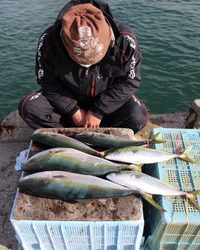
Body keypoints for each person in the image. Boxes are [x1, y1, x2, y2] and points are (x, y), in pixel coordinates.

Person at [18, 0, 149, 132]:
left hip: (107, 103)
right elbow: (47, 81)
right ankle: (71, 136)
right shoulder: (48, 41)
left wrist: (98, 111)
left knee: (138, 116)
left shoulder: (126, 41)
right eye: (81, 62)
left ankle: (95, 130)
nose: (87, 66)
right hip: (69, 101)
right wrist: (72, 110)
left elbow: (130, 81)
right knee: (28, 108)